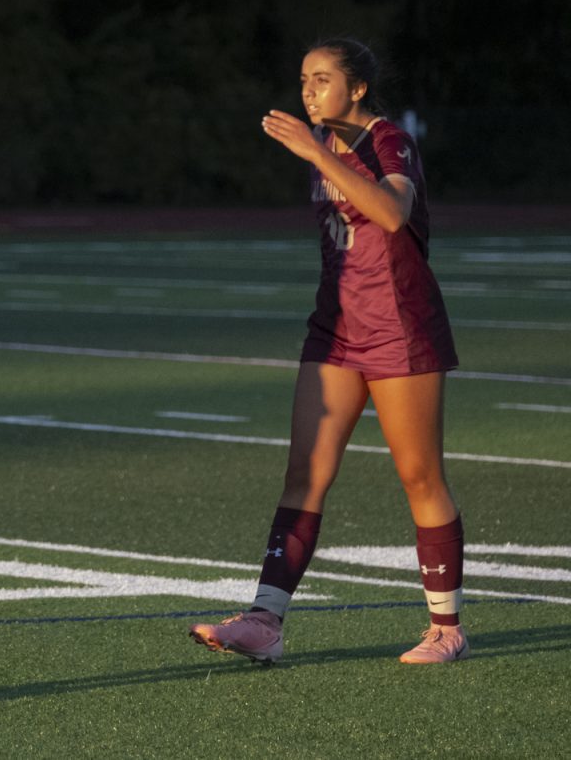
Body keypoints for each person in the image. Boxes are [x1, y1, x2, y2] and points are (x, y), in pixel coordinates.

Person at [188, 38, 466, 665]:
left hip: (401, 327)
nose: (308, 91)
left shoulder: (387, 140)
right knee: (305, 473)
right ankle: (266, 621)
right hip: (335, 328)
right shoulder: (322, 147)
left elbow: (393, 213)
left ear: (358, 88)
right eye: (303, 81)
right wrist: (318, 150)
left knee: (419, 476)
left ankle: (446, 627)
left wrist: (316, 150)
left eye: (322, 80)